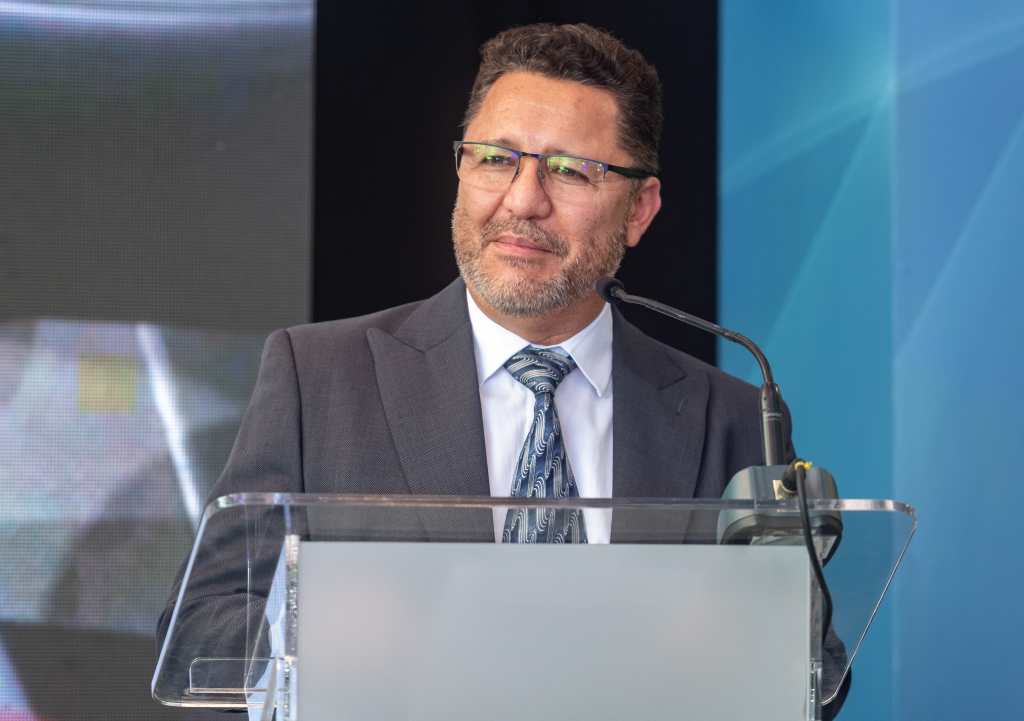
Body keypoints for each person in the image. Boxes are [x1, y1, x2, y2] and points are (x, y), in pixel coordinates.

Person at [158, 22, 848, 717]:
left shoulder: (730, 416)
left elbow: (814, 677)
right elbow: (196, 634)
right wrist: (328, 633)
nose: (522, 200)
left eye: (570, 170)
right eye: (495, 159)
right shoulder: (319, 377)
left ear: (639, 210)